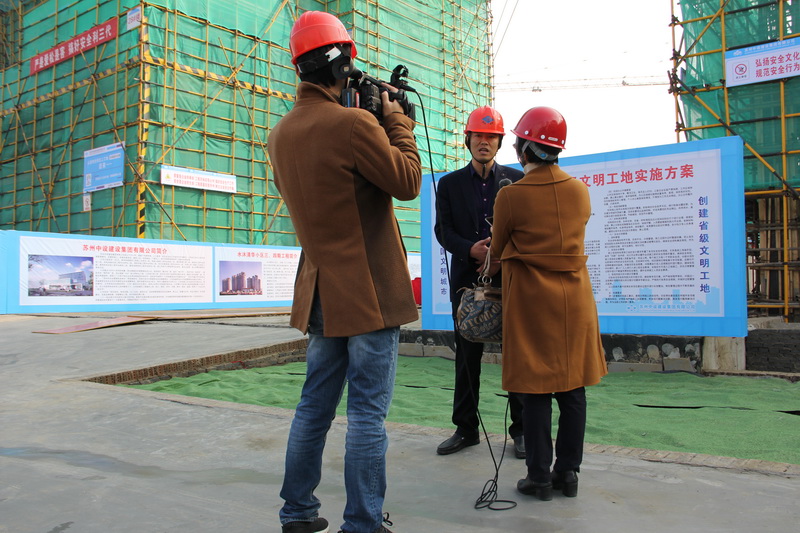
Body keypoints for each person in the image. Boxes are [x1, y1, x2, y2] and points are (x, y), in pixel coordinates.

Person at [267, 11, 421, 533]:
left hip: (320, 294)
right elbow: (406, 180)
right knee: (367, 415)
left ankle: (297, 512)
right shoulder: (354, 125)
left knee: (314, 407)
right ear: (339, 61)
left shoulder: (281, 134)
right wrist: (396, 120)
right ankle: (363, 521)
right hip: (369, 294)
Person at [487, 106, 608, 501]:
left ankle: (538, 476)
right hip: (574, 302)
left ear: (523, 147)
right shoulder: (579, 191)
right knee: (573, 390)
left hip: (531, 304)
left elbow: (498, 250)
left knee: (536, 390)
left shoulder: (511, 195)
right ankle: (568, 473)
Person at [433, 106, 525, 457]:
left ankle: (521, 431)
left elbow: (525, 229)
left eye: (491, 137)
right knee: (466, 356)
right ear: (467, 139)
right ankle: (465, 428)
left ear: (500, 142)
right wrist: (470, 250)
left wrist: (505, 254)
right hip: (466, 285)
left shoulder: (517, 181)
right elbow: (444, 230)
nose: (484, 142)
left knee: (517, 356)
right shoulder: (450, 184)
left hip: (511, 281)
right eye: (478, 136)